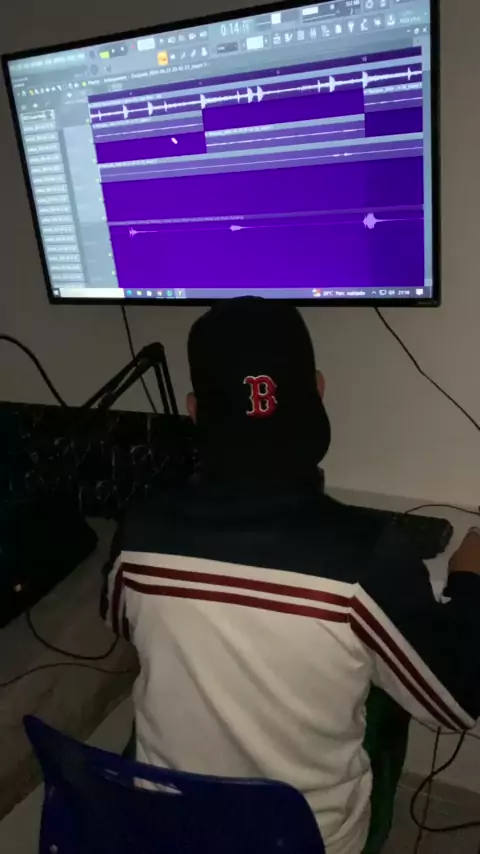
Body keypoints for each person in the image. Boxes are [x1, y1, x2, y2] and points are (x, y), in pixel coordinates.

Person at [102, 298, 480, 854]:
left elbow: (121, 623)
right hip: (300, 841)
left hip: (163, 830)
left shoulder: (139, 529)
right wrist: (469, 579)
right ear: (319, 392)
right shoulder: (369, 554)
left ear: (195, 412)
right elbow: (455, 703)